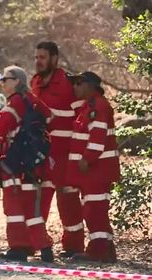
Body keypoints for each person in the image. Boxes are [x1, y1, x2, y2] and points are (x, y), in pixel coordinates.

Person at [30, 41, 85, 257]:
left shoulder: (69, 85)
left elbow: (80, 119)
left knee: (68, 200)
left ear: (54, 59)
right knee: (38, 200)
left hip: (64, 154)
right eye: (36, 57)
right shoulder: (34, 82)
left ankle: (74, 247)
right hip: (41, 154)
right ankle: (37, 243)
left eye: (42, 57)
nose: (38, 62)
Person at [0, 65, 54, 262]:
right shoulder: (33, 100)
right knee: (32, 208)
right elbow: (49, 117)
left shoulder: (14, 104)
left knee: (14, 209)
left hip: (14, 164)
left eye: (6, 79)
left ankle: (18, 248)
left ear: (17, 81)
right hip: (32, 164)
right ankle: (44, 247)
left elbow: (2, 130)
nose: (3, 82)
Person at [66, 71, 119, 263]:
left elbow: (97, 138)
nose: (75, 87)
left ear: (89, 85)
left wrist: (87, 159)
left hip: (97, 170)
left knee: (94, 211)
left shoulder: (98, 107)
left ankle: (98, 252)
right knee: (95, 209)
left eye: (78, 83)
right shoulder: (88, 107)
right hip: (93, 172)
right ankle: (106, 250)